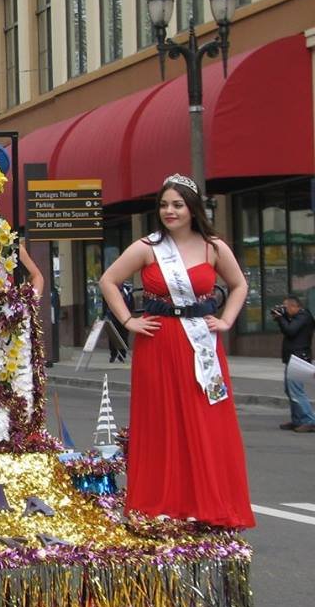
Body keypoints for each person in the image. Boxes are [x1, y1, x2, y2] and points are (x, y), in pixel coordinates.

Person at [99, 174, 254, 529]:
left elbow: (239, 284)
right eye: (164, 205)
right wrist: (127, 320)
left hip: (201, 344)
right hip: (158, 342)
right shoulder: (148, 247)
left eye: (177, 204)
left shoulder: (212, 246)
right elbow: (108, 280)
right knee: (161, 421)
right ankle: (161, 504)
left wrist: (227, 319)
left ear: (192, 208)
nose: (170, 211)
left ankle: (211, 504)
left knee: (206, 419)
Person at [272, 295, 315, 433]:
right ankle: (298, 420)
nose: (284, 310)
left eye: (285, 307)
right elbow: (289, 330)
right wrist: (282, 318)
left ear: (294, 306)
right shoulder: (296, 318)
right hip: (292, 358)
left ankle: (309, 420)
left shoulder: (304, 316)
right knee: (290, 390)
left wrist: (280, 318)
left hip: (298, 358)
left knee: (296, 391)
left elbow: (290, 331)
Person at [104, 281, 133, 363]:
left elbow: (130, 301)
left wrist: (129, 312)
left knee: (124, 335)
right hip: (113, 316)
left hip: (125, 316)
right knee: (113, 336)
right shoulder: (110, 288)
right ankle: (113, 354)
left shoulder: (126, 289)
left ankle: (122, 354)